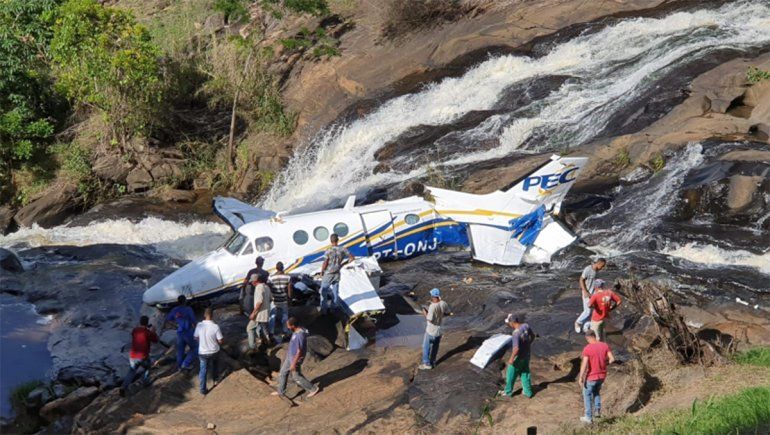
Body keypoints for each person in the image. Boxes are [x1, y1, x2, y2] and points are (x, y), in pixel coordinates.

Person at [272, 317, 320, 398]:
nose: (287, 327)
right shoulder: (296, 331)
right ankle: (281, 391)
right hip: (290, 356)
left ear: (293, 326)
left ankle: (313, 388)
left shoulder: (300, 335)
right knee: (283, 372)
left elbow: (299, 351)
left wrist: (294, 364)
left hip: (295, 358)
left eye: (288, 325)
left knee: (296, 376)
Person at [578, 330, 615, 424]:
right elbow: (612, 359)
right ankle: (597, 410)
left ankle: (588, 417)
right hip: (602, 375)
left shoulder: (587, 348)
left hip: (592, 376)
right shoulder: (604, 345)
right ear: (595, 335)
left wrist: (581, 377)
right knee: (596, 392)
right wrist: (605, 363)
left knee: (587, 395)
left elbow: (584, 364)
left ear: (588, 338)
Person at [119, 315, 159, 396]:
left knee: (131, 371)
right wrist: (153, 331)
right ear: (147, 323)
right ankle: (145, 381)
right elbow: (155, 340)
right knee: (148, 367)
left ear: (140, 322)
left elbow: (139, 334)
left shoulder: (135, 330)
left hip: (133, 356)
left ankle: (124, 386)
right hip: (143, 356)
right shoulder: (147, 332)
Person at [319, 233, 354, 314]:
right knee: (335, 291)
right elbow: (352, 258)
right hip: (337, 273)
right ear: (337, 240)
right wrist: (342, 264)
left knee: (323, 291)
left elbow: (325, 262)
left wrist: (322, 271)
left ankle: (324, 310)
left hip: (328, 273)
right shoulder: (343, 249)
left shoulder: (328, 250)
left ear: (331, 241)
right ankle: (333, 307)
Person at [502, 314, 535, 398]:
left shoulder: (516, 333)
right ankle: (528, 392)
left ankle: (507, 392)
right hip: (527, 354)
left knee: (510, 373)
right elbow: (533, 336)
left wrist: (511, 359)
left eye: (509, 322)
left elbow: (516, 349)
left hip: (519, 356)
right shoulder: (526, 326)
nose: (508, 324)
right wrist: (527, 345)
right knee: (525, 372)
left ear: (512, 322)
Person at [419, 288, 451, 370]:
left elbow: (429, 319)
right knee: (435, 347)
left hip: (430, 330)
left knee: (426, 347)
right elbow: (447, 313)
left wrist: (425, 313)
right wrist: (440, 315)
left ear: (433, 296)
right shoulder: (443, 303)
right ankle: (433, 362)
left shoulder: (432, 307)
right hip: (439, 330)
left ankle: (426, 364)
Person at [194, 308, 223, 395]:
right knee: (215, 365)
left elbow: (195, 337)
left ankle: (203, 390)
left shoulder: (199, 325)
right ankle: (215, 380)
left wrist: (201, 341)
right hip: (214, 351)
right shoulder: (215, 326)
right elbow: (221, 340)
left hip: (203, 352)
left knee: (203, 370)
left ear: (204, 315)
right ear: (212, 316)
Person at [164, 295, 197, 370]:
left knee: (180, 350)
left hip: (179, 332)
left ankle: (179, 367)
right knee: (195, 348)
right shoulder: (188, 309)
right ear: (185, 301)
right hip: (188, 332)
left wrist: (176, 325)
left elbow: (168, 319)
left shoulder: (174, 310)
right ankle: (185, 363)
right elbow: (194, 321)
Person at [574, 258, 607, 334]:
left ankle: (588, 326)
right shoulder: (588, 269)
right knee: (587, 311)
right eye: (602, 266)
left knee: (596, 311)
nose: (602, 268)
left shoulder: (597, 271)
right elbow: (581, 280)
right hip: (587, 293)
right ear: (599, 263)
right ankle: (577, 323)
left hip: (593, 294)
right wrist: (585, 292)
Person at [246, 273, 272, 349]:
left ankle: (253, 347)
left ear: (255, 281)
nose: (251, 283)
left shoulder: (258, 287)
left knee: (249, 328)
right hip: (266, 312)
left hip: (259, 314)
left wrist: (253, 313)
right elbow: (270, 298)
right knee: (263, 328)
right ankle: (267, 342)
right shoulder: (266, 286)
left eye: (252, 281)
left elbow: (259, 302)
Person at [268, 261, 292, 339]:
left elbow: (269, 288)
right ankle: (285, 331)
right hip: (283, 299)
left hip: (274, 300)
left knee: (272, 316)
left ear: (276, 268)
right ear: (283, 268)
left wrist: (270, 298)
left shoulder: (271, 277)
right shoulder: (288, 277)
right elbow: (289, 289)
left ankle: (271, 332)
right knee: (285, 315)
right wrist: (290, 299)